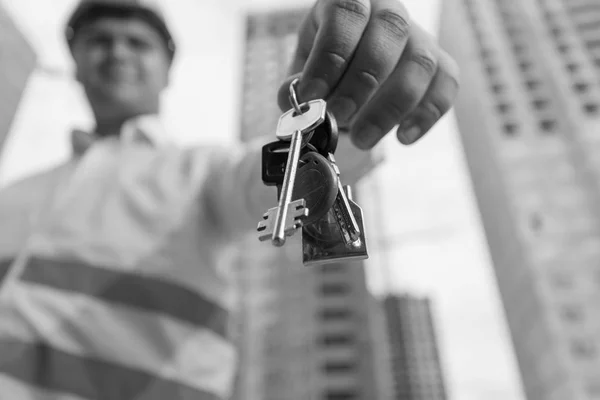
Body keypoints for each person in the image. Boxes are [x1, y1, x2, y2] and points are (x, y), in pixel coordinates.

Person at [0, 0, 459, 399]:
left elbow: (290, 170)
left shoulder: (206, 172)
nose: (118, 51)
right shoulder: (13, 194)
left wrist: (346, 99)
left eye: (137, 43)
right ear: (75, 63)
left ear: (167, 72)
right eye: (100, 40)